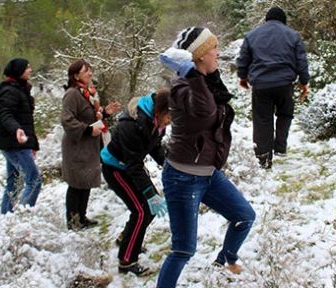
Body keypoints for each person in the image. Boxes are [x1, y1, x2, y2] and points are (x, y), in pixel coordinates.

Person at [157, 27, 256, 288]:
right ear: (198, 56)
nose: (218, 52)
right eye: (213, 48)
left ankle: (225, 260)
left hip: (208, 173)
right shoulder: (182, 87)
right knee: (183, 250)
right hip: (182, 178)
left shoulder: (209, 81)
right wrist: (189, 73)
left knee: (245, 216)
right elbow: (204, 110)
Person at [100, 89, 171, 276]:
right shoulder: (130, 126)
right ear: (160, 111)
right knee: (142, 210)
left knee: (149, 208)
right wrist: (150, 194)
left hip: (130, 166)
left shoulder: (155, 122)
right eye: (170, 115)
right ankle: (127, 261)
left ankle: (127, 237)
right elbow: (134, 166)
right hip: (116, 168)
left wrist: (168, 165)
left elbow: (154, 146)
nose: (171, 120)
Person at [236, 6, 310, 169]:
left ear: (266, 19)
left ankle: (264, 158)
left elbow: (243, 59)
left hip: (261, 85)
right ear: (283, 20)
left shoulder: (251, 36)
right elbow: (301, 61)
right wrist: (304, 81)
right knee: (285, 113)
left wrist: (242, 77)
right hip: (285, 84)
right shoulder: (293, 36)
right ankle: (280, 146)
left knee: (262, 120)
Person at [61, 59, 121, 230]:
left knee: (85, 181)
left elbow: (91, 116)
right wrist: (87, 130)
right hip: (77, 146)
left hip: (89, 146)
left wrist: (105, 112)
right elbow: (66, 119)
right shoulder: (72, 94)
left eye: (90, 69)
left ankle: (82, 217)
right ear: (75, 75)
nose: (90, 73)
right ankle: (73, 222)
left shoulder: (88, 93)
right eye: (86, 70)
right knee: (76, 184)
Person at [0, 58, 42, 214]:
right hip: (15, 143)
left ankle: (6, 217)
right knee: (34, 180)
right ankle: (22, 219)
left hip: (18, 142)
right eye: (27, 68)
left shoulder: (21, 89)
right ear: (18, 71)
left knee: (14, 183)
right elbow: (5, 114)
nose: (30, 70)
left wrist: (33, 144)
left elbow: (27, 121)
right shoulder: (9, 91)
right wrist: (16, 129)